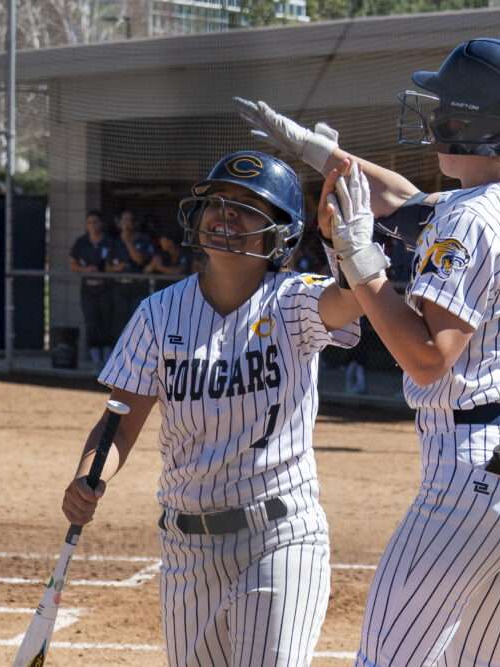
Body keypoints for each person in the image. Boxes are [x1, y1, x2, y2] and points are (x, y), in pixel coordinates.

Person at [322, 38, 500, 666]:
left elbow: (428, 357)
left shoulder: (469, 215)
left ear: (479, 122)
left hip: (473, 472)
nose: (435, 113)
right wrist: (320, 154)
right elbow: (406, 206)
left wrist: (361, 262)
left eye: (447, 103)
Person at [60, 151, 363, 667]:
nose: (226, 215)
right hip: (187, 549)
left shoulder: (293, 302)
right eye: (217, 203)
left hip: (280, 537)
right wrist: (89, 475)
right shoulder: (157, 314)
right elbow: (119, 421)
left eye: (247, 207)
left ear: (279, 234)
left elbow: (351, 300)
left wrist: (345, 243)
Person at [69, 209, 116, 369]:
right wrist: (86, 270)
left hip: (106, 288)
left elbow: (117, 264)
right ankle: (95, 358)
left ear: (101, 224)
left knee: (107, 321)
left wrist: (104, 270)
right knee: (91, 321)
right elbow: (73, 264)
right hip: (88, 289)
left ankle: (108, 355)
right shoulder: (81, 242)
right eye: (89, 222)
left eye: (95, 222)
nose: (93, 226)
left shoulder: (109, 242)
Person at [107, 208, 154, 338]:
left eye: (129, 220)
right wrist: (117, 268)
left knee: (137, 320)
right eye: (124, 220)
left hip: (137, 287)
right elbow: (107, 267)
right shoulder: (114, 241)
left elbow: (139, 260)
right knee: (119, 320)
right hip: (120, 287)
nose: (126, 224)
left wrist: (127, 241)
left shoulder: (143, 239)